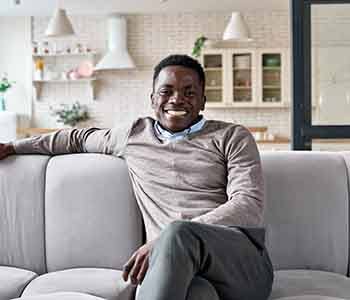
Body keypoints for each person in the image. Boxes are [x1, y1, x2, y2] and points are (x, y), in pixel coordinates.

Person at [0, 54, 273, 300]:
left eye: (189, 92)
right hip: (179, 269)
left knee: (179, 232)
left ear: (203, 100)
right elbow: (76, 138)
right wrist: (12, 147)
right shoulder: (133, 135)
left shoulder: (232, 136)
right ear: (153, 98)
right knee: (198, 295)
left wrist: (165, 239)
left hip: (241, 265)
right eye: (166, 91)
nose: (177, 99)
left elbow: (247, 205)